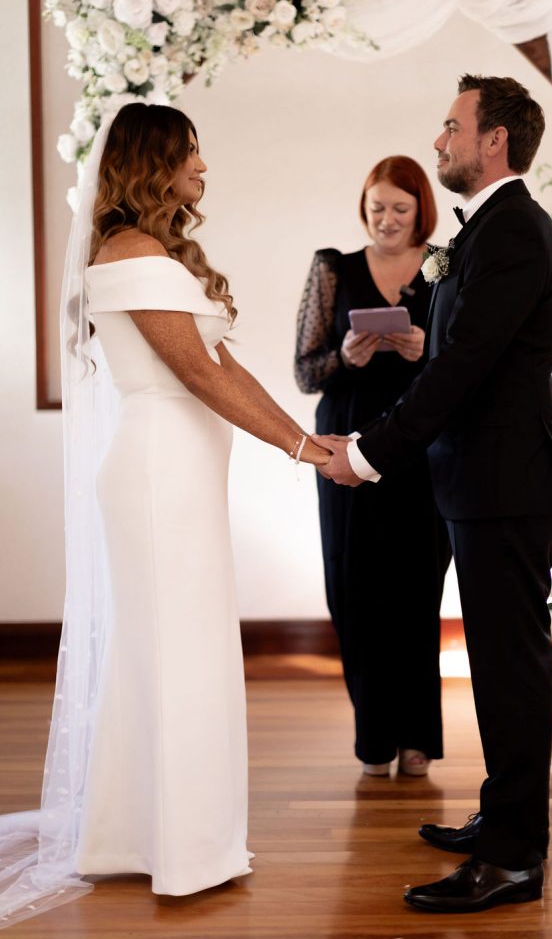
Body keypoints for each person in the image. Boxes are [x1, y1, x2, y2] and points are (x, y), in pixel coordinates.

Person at [0, 102, 330, 924]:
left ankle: (132, 836)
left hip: (174, 473)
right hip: (156, 475)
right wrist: (302, 451)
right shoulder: (132, 252)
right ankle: (178, 849)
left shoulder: (149, 252)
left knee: (174, 651)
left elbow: (225, 366)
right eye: (190, 155)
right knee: (173, 653)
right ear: (154, 163)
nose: (203, 169)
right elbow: (201, 377)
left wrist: (314, 440)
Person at [315, 75, 552, 913]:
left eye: (450, 126)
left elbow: (457, 370)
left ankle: (511, 859)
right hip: (480, 482)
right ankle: (501, 818)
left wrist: (367, 453)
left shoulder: (512, 234)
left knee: (508, 673)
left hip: (506, 486)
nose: (439, 141)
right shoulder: (489, 230)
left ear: (492, 139)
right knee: (501, 670)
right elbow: (447, 365)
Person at [295, 156, 451, 777]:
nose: (386, 220)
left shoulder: (445, 265)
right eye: (376, 207)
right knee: (353, 590)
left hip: (423, 446)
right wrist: (347, 356)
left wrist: (425, 348)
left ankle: (418, 738)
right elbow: (306, 370)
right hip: (345, 442)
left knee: (417, 589)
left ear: (422, 212)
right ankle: (374, 738)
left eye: (400, 209)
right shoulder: (332, 266)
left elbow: (468, 361)